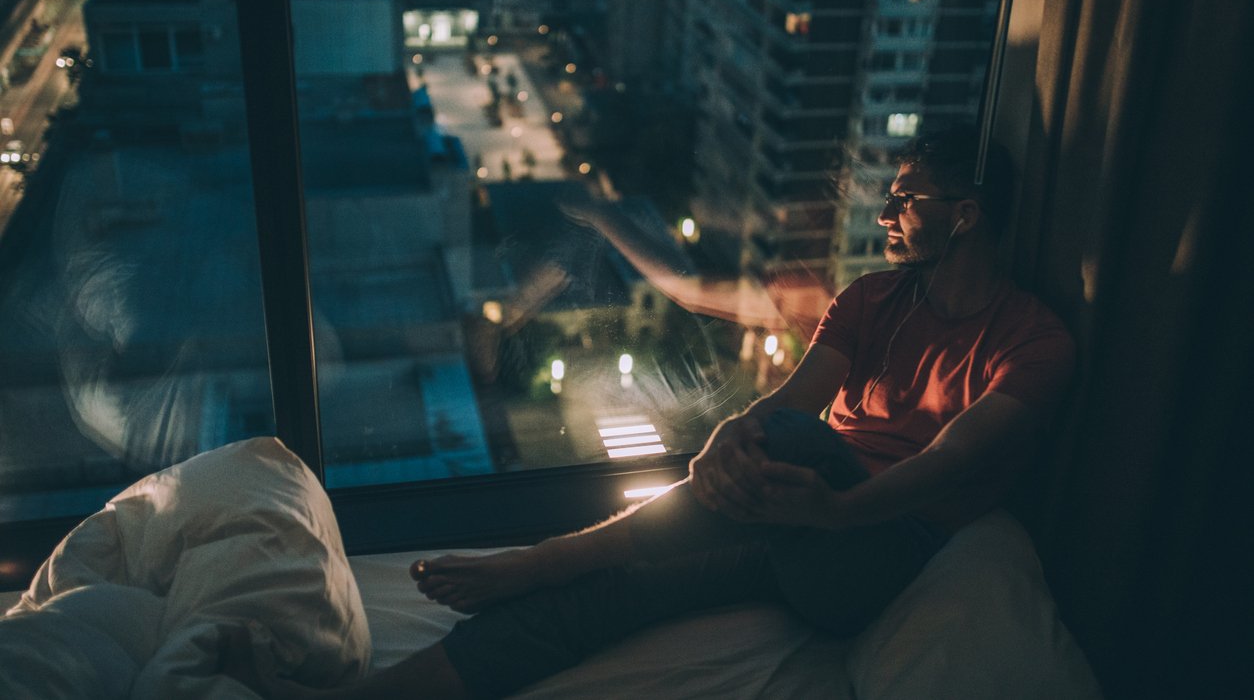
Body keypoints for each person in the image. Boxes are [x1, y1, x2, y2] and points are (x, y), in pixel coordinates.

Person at [227, 126, 1075, 698]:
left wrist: (834, 505)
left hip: (878, 545)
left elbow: (948, 463)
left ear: (964, 216)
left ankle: (552, 554)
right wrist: (725, 438)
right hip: (793, 516)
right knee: (609, 595)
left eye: (908, 200)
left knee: (778, 443)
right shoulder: (872, 298)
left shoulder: (1034, 341)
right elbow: (792, 400)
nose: (886, 215)